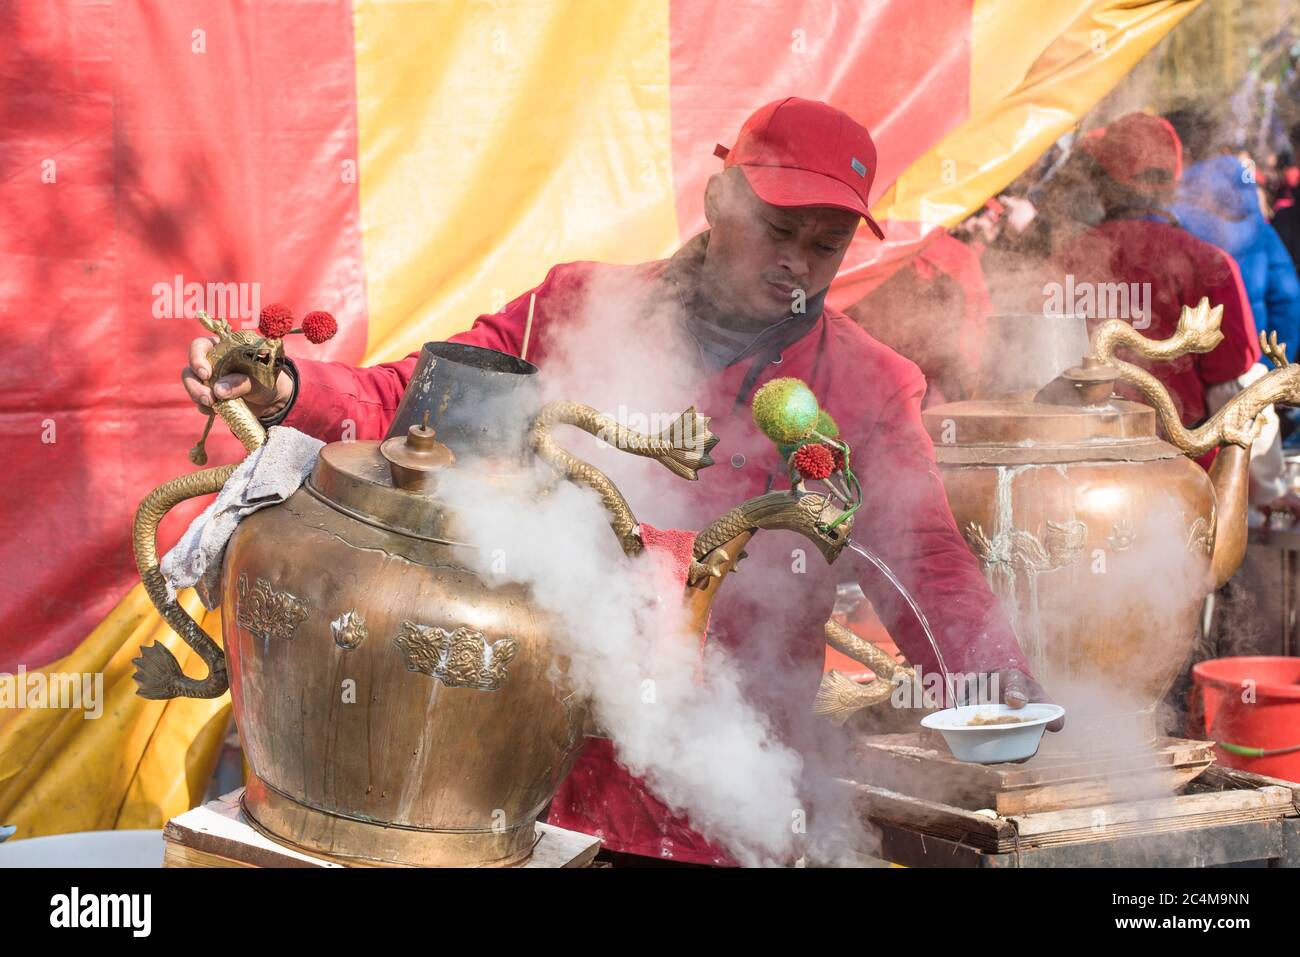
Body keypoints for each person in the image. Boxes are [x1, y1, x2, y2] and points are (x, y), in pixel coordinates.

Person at [182, 98, 1056, 864]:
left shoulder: (866, 385)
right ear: (719, 198)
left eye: (825, 246)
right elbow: (415, 404)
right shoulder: (570, 309)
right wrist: (292, 388)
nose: (799, 262)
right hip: (536, 779)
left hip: (735, 791)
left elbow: (927, 557)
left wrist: (996, 692)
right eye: (780, 231)